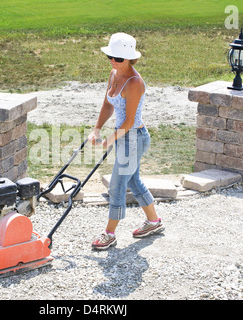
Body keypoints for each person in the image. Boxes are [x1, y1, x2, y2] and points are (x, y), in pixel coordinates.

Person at [88, 32, 164, 250]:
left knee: (117, 184)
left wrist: (110, 138)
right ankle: (154, 222)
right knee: (132, 181)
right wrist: (97, 130)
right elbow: (108, 105)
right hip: (123, 138)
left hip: (134, 138)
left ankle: (109, 234)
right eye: (110, 57)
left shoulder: (134, 83)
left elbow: (130, 120)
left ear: (130, 58)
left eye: (118, 58)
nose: (113, 62)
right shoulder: (114, 74)